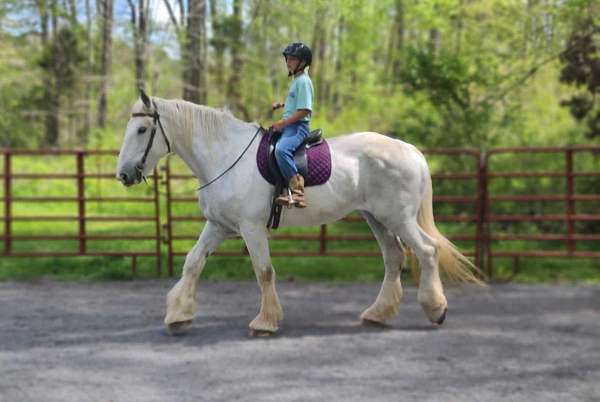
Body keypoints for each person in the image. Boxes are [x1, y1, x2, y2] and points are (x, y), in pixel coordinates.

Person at [271, 42, 314, 208]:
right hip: (291, 126)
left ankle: (297, 190)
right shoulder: (297, 81)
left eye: (293, 59)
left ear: (302, 62)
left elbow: (304, 110)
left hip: (297, 128)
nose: (288, 62)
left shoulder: (303, 81)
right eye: (287, 58)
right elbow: (296, 103)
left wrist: (283, 122)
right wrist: (282, 105)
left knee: (282, 150)